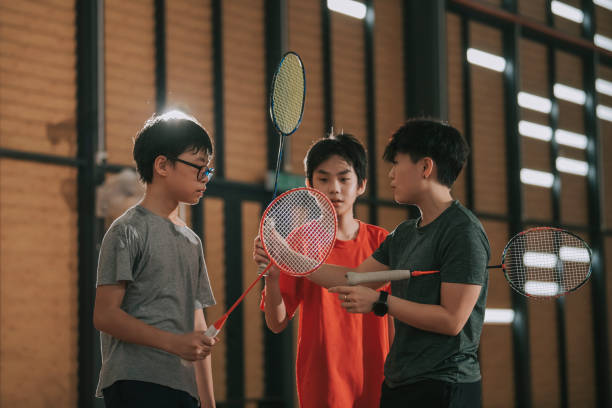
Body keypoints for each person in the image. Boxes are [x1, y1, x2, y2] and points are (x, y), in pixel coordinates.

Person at [309, 119, 490, 408]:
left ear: (425, 167)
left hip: (445, 387)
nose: (391, 174)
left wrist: (381, 302)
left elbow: (452, 320)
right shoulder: (404, 234)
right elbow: (352, 278)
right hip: (398, 384)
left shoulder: (462, 231)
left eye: (397, 163)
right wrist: (291, 259)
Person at [254, 133, 392, 408]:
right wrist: (272, 278)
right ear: (309, 185)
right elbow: (277, 322)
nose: (334, 188)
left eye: (344, 178)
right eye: (323, 179)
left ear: (361, 184)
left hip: (378, 381)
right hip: (322, 386)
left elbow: (392, 317)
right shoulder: (300, 240)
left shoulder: (382, 242)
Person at [93, 111, 218, 408]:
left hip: (183, 389)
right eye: (199, 168)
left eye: (208, 171)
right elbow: (105, 315)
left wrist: (210, 403)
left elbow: (198, 330)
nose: (205, 178)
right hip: (136, 383)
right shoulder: (127, 231)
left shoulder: (192, 241)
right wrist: (173, 343)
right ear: (162, 165)